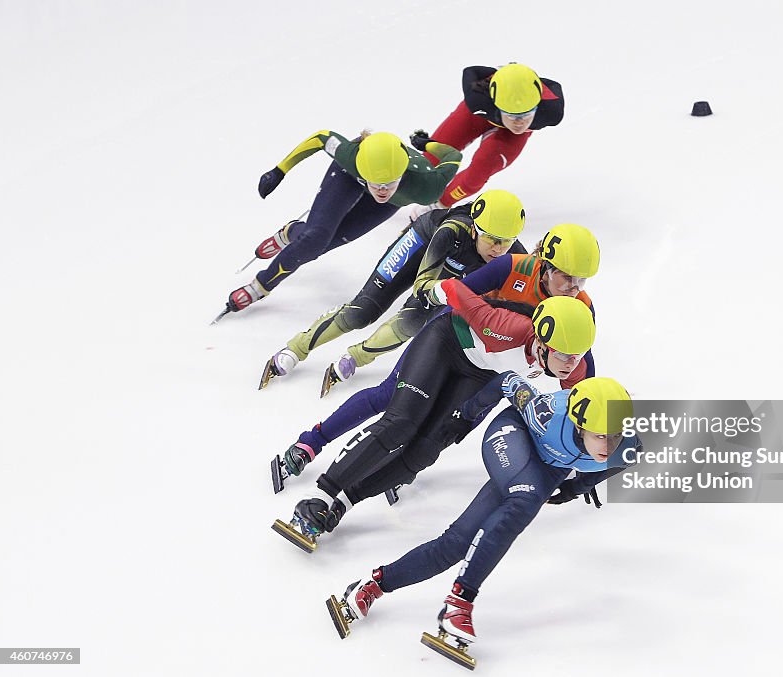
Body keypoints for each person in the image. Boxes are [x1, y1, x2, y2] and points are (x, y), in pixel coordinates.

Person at [325, 374, 640, 668]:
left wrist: (575, 488)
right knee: (525, 499)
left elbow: (619, 459)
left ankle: (373, 584)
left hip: (542, 469)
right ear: (579, 425)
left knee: (455, 544)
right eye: (601, 437)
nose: (609, 445)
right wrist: (464, 415)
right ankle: (460, 602)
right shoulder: (546, 414)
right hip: (514, 435)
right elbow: (506, 381)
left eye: (616, 436)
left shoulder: (625, 444)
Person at [268, 223, 604, 493]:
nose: (573, 287)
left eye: (581, 280)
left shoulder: (581, 308)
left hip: (492, 369)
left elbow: (581, 377)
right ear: (543, 264)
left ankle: (390, 463)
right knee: (392, 397)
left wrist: (588, 442)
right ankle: (311, 443)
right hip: (457, 337)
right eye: (565, 276)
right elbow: (458, 294)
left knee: (439, 433)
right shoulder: (513, 266)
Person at [271, 288, 597, 551]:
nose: (570, 364)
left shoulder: (576, 366)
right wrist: (432, 289)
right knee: (402, 423)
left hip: (478, 373)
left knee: (424, 452)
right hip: (445, 341)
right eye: (563, 355)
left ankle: (344, 502)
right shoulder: (507, 326)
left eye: (577, 356)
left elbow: (592, 416)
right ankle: (321, 495)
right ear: (540, 342)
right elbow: (456, 289)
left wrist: (588, 473)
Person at [258, 190, 527, 390]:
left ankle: (356, 357)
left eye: (507, 242)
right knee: (363, 311)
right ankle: (297, 348)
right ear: (474, 230)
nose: (499, 249)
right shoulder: (452, 230)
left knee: (413, 321)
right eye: (492, 240)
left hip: (448, 268)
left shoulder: (512, 254)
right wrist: (446, 292)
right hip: (421, 243)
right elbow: (423, 285)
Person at [217, 130, 462, 318]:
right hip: (349, 176)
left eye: (389, 183)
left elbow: (453, 156)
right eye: (376, 184)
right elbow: (321, 138)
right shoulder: (351, 157)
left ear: (404, 174)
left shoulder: (427, 186)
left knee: (322, 244)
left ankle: (292, 232)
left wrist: (426, 144)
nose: (382, 191)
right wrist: (279, 170)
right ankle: (260, 286)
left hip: (398, 191)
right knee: (314, 240)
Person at [410, 63, 564, 210]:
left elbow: (553, 85)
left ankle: (438, 206)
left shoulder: (551, 112)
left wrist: (439, 205)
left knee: (479, 171)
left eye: (527, 115)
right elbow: (471, 71)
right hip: (480, 116)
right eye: (511, 115)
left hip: (507, 132)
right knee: (429, 160)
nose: (519, 123)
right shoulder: (478, 100)